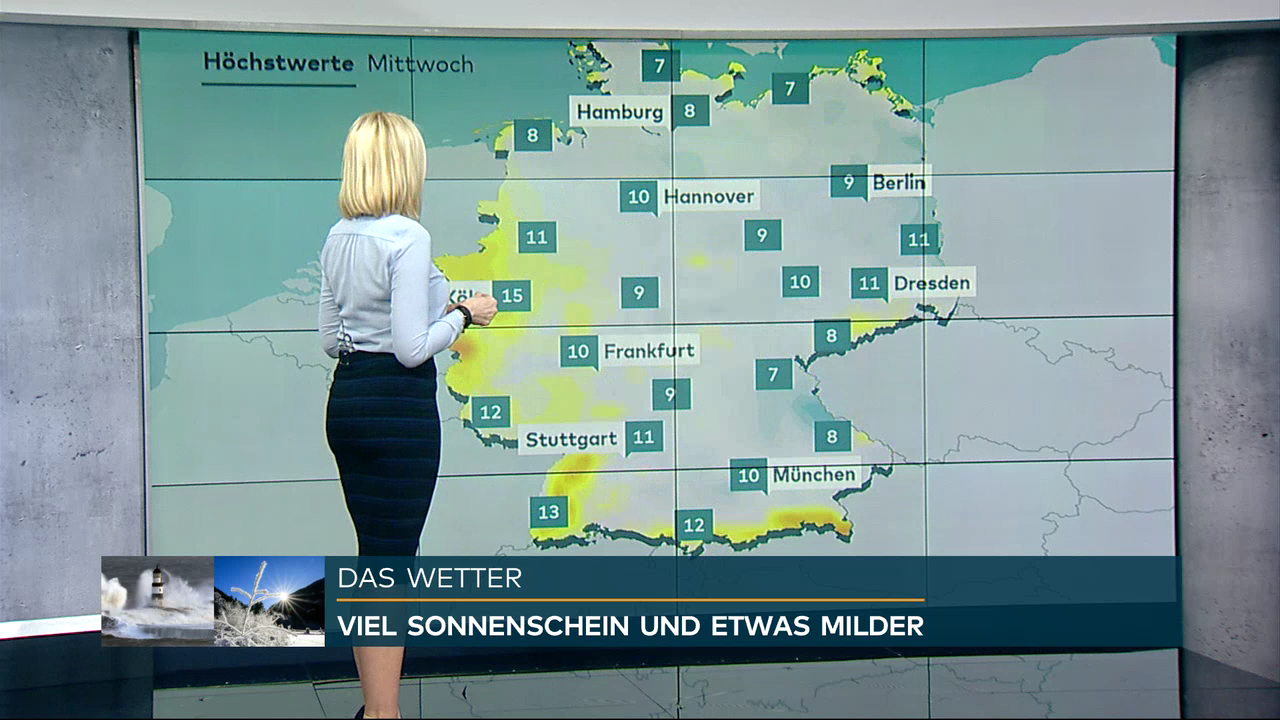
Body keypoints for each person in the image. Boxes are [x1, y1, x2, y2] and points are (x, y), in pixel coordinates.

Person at [318, 111, 498, 719]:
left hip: (349, 400)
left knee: (376, 557)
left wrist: (427, 315)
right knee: (392, 564)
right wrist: (465, 316)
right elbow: (411, 348)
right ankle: (384, 714)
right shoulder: (409, 236)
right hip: (397, 408)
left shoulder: (338, 236)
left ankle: (375, 709)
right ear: (405, 167)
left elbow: (330, 339)